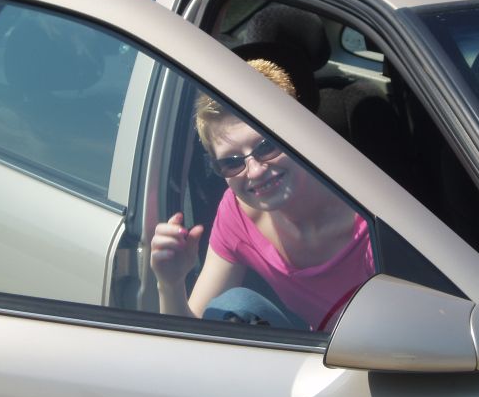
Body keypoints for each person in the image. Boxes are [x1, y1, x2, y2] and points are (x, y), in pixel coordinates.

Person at [150, 59, 374, 331]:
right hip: (323, 349)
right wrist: (170, 284)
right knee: (234, 305)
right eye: (232, 162)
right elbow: (190, 335)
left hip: (386, 343)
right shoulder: (237, 213)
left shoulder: (369, 219)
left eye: (267, 146)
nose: (255, 172)